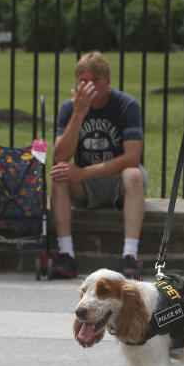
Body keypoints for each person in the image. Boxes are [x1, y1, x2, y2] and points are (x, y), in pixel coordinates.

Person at [49, 51, 147, 280]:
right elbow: (60, 155)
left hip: (118, 182)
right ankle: (66, 254)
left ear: (107, 82)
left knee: (133, 174)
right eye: (83, 80)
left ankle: (130, 257)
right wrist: (79, 113)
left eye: (95, 80)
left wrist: (82, 171)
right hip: (88, 185)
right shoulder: (69, 108)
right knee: (59, 175)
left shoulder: (126, 105)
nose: (89, 86)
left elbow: (132, 158)